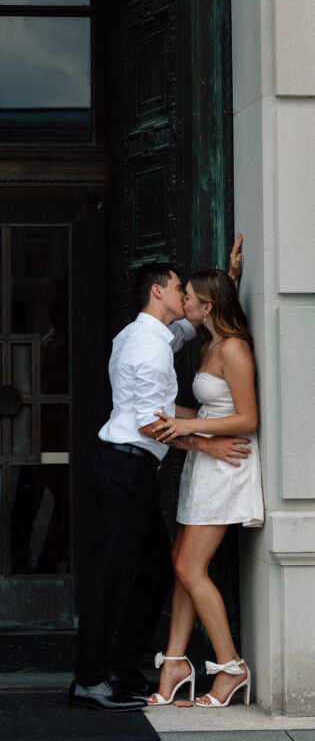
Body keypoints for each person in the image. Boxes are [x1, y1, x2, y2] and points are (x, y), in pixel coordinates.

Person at [69, 241, 251, 712]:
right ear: (158, 292)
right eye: (178, 288)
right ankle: (91, 679)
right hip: (124, 466)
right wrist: (207, 443)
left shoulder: (156, 333)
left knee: (153, 570)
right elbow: (156, 423)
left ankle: (122, 668)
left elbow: (198, 320)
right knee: (109, 577)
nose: (185, 296)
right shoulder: (146, 348)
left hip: (133, 469)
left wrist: (226, 284)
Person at [145, 261, 263, 709]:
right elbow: (211, 412)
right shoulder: (211, 342)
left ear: (207, 306)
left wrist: (181, 424)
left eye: (190, 297)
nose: (183, 300)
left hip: (228, 466)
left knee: (190, 568)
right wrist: (164, 415)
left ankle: (232, 667)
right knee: (181, 563)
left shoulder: (233, 348)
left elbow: (248, 418)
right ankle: (175, 662)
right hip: (204, 465)